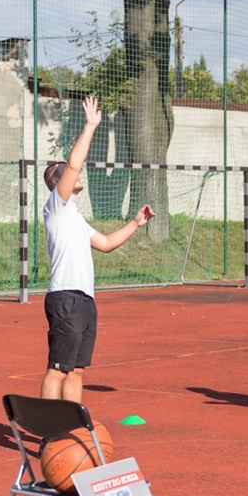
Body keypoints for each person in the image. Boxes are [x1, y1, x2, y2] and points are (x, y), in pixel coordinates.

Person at [42, 96, 155, 402]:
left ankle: (73, 426)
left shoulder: (75, 218)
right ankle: (49, 431)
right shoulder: (56, 206)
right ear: (57, 181)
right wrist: (91, 126)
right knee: (58, 369)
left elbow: (104, 244)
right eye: (65, 171)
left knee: (76, 371)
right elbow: (76, 162)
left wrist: (134, 223)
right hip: (64, 298)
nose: (73, 172)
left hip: (84, 300)